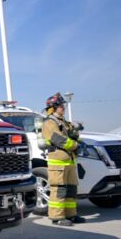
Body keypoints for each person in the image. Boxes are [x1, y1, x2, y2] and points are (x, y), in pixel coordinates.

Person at [42, 92, 86, 226]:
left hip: (69, 160)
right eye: (61, 105)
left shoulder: (63, 122)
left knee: (71, 189)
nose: (63, 107)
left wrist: (78, 137)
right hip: (58, 162)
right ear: (54, 107)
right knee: (59, 189)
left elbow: (72, 135)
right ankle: (57, 217)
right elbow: (57, 139)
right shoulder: (49, 122)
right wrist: (75, 145)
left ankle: (71, 214)